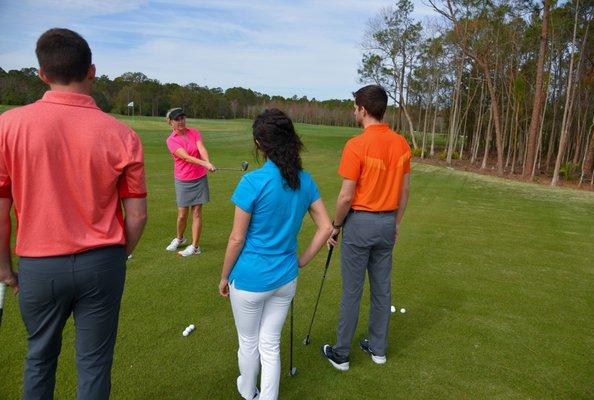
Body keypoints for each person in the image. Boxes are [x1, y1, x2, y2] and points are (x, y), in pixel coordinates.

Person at [0, 28, 147, 399]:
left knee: (39, 359)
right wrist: (119, 254)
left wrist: (4, 268)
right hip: (103, 263)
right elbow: (138, 215)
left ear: (42, 74)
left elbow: (1, 209)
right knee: (95, 366)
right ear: (92, 71)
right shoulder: (121, 134)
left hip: (38, 265)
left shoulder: (8, 127)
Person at [219, 109, 332, 400]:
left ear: (259, 144)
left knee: (249, 342)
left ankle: (247, 391)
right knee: (270, 344)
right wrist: (302, 261)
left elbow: (236, 238)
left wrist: (223, 276)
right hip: (285, 279)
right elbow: (326, 227)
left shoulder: (252, 183)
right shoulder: (304, 180)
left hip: (250, 280)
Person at [322, 85, 411, 371]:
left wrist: (335, 227)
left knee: (352, 290)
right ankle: (378, 349)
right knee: (382, 290)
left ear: (363, 109)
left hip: (360, 223)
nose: (354, 111)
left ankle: (342, 354)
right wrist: (396, 223)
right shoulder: (401, 143)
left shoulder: (356, 145)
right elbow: (404, 190)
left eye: (355, 107)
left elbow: (346, 196)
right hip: (386, 223)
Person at [165, 107, 215, 257]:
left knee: (197, 212)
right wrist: (204, 164)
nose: (181, 121)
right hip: (183, 179)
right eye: (177, 119)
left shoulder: (194, 132)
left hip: (199, 178)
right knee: (182, 214)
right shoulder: (171, 140)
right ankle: (180, 238)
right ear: (170, 122)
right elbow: (186, 157)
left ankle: (195, 247)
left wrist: (207, 161)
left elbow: (201, 148)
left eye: (182, 118)